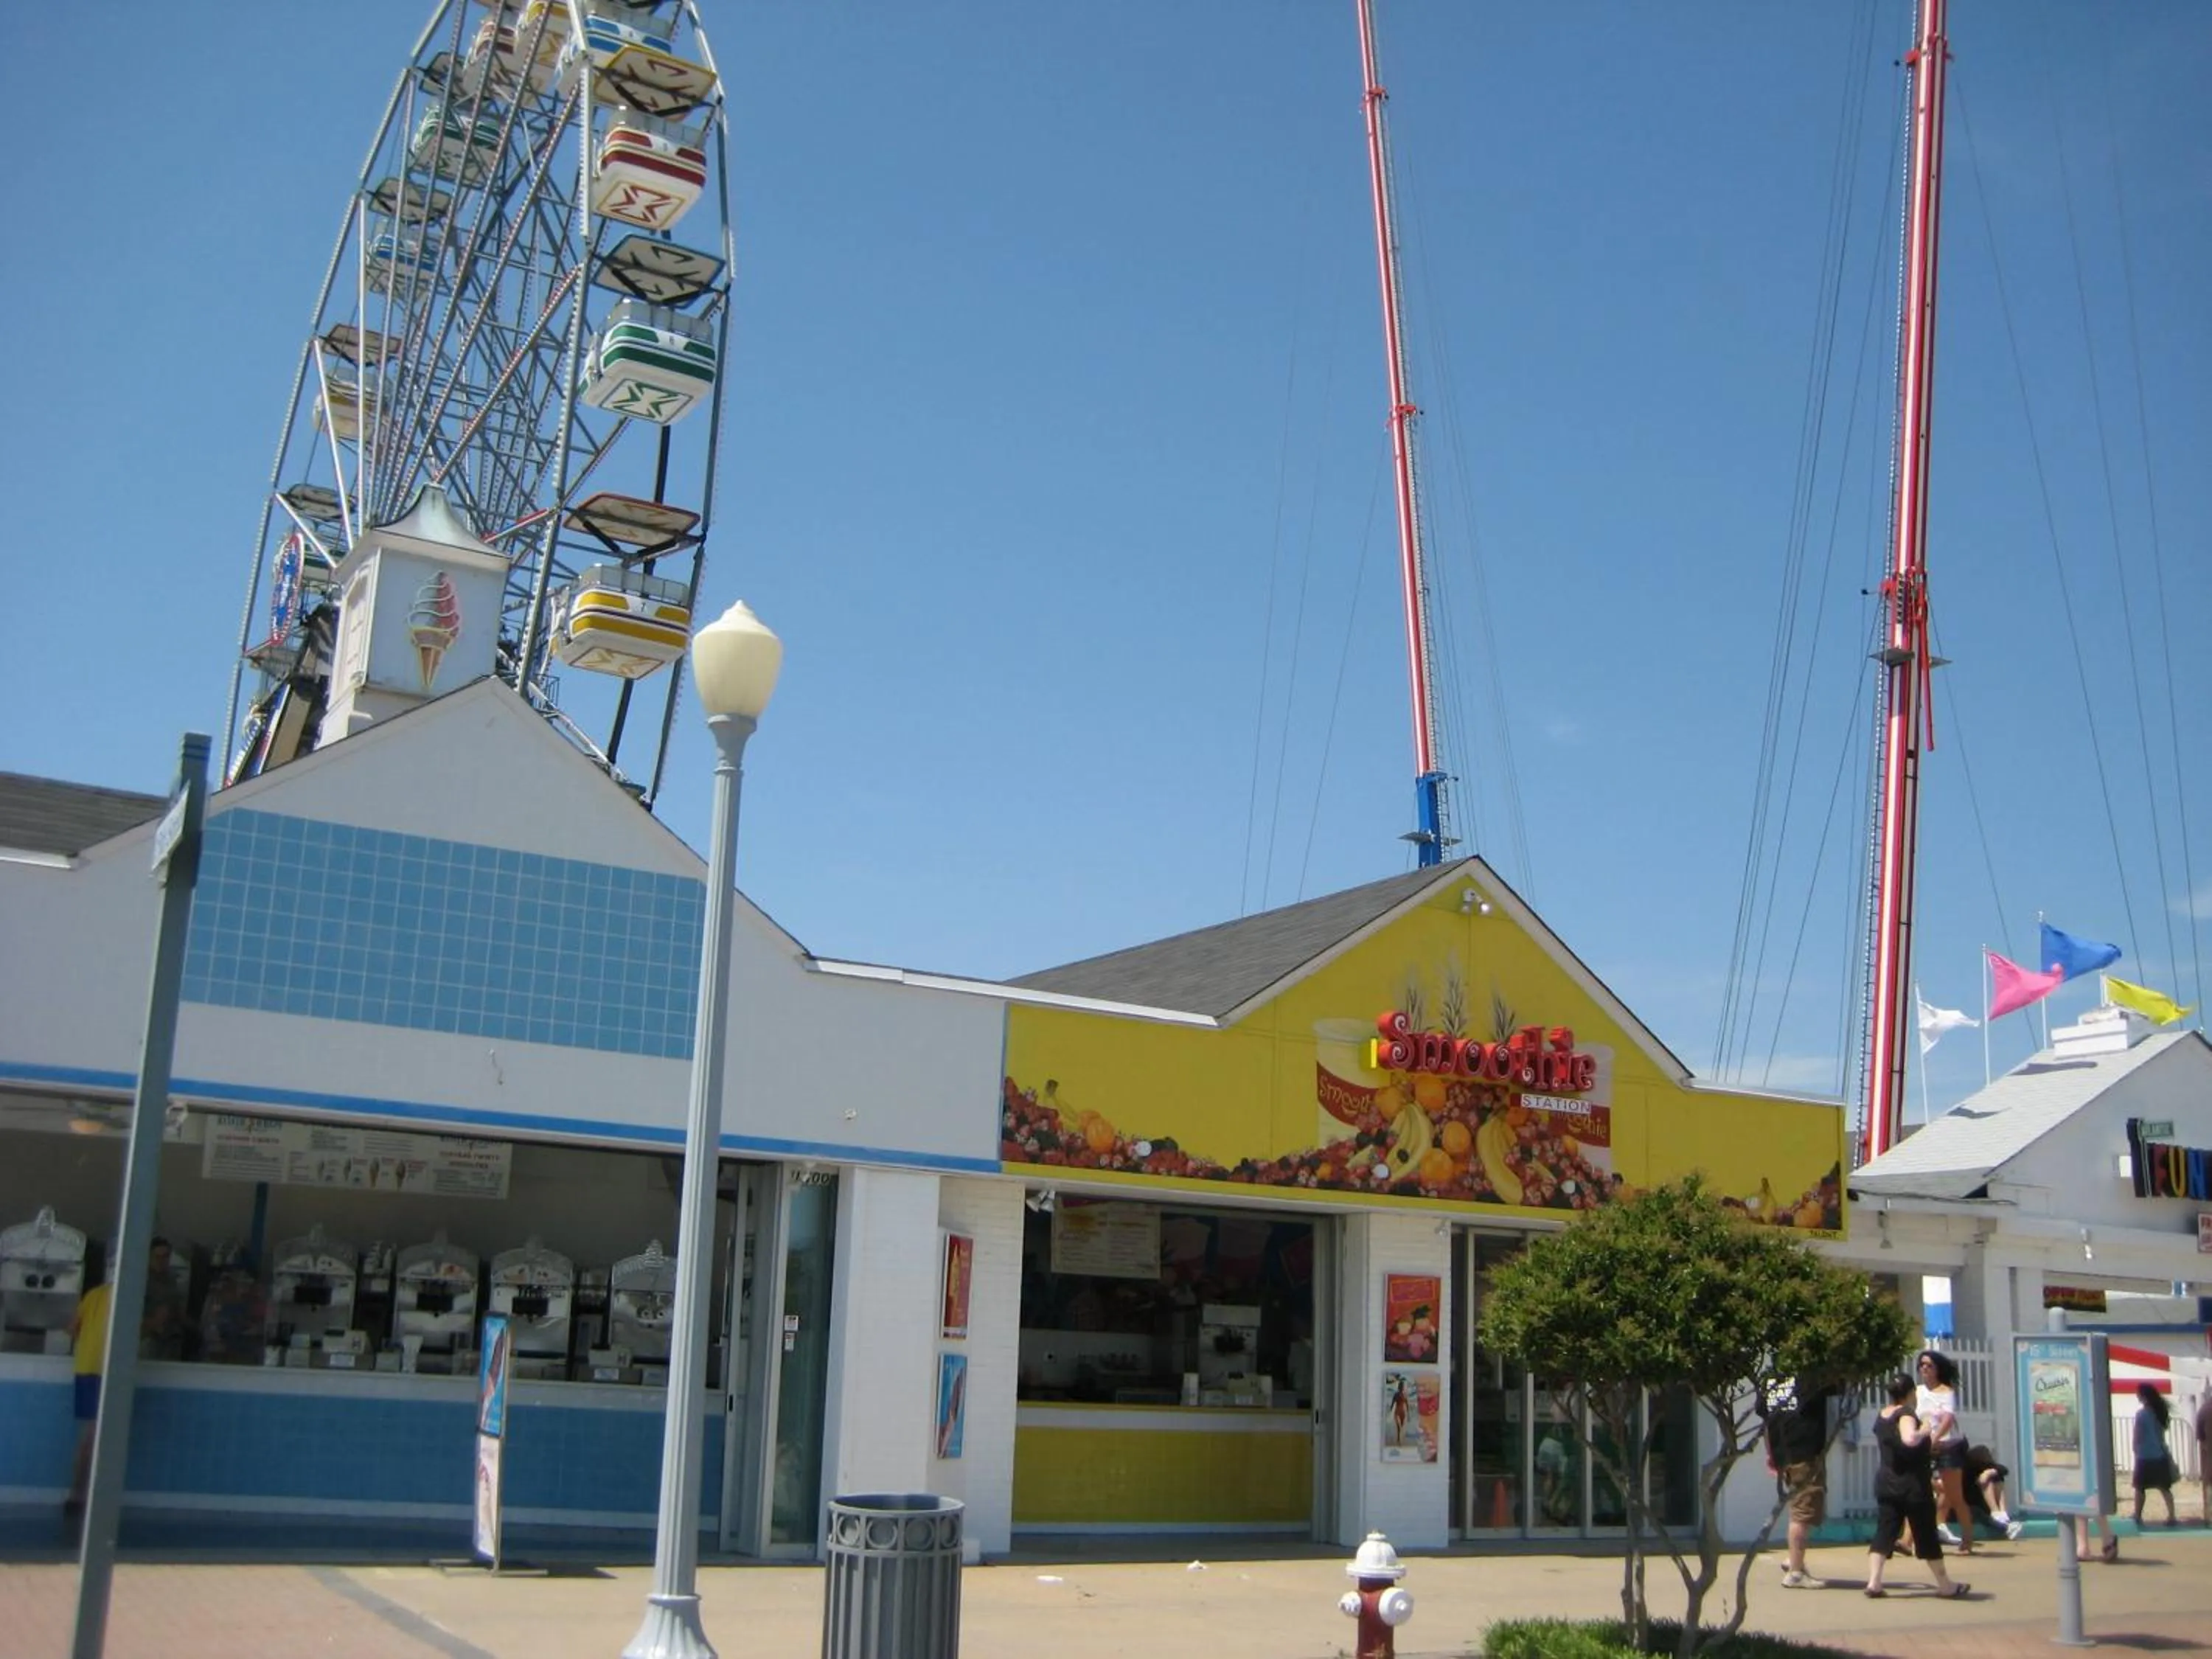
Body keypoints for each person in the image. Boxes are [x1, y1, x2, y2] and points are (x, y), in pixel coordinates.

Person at [1865, 1372, 1969, 1599]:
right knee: (1926, 1536)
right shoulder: (1905, 1414)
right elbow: (1909, 1439)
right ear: (1911, 1393)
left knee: (1884, 1532)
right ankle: (1946, 1585)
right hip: (1912, 1486)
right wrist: (1926, 1429)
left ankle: (1874, 1582)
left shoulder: (1882, 1415)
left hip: (1886, 1483)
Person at [1757, 1374, 1832, 1587]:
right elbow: (1840, 1384)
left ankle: (1794, 1559)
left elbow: (1766, 1423)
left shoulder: (1769, 1381)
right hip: (1805, 1455)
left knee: (1802, 1509)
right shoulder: (1808, 1379)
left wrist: (1771, 1455)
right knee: (1801, 1512)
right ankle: (1796, 1573)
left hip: (1785, 1454)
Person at [63, 1253, 111, 1517]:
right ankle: (82, 1493)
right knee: (96, 1435)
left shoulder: (95, 1293)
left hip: (86, 1366)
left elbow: (72, 1328)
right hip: (106, 1369)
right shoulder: (130, 1296)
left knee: (93, 1433)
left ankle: (81, 1492)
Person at [1914, 1350, 1973, 1551]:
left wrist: (1934, 1438)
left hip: (1949, 1447)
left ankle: (1967, 1539)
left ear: (1938, 1369)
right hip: (1925, 1446)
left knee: (1955, 1496)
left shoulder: (1946, 1392)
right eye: (1922, 1364)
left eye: (1929, 1365)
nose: (1925, 1368)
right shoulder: (1918, 1391)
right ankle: (1908, 1540)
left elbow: (1947, 1420)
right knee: (1916, 1491)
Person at [2131, 1382, 2179, 1528]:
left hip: (2145, 1456)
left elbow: (2138, 1435)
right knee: (2164, 1488)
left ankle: (2138, 1516)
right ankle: (2172, 1516)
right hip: (2160, 1454)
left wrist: (2135, 1449)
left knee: (2140, 1488)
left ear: (2144, 1397)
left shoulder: (2141, 1414)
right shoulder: (2160, 1413)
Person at [1960, 1443, 2023, 1541]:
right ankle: (2005, 1526)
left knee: (1997, 1476)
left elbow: (2003, 1470)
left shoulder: (1985, 1467)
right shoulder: (1965, 1469)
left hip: (1982, 1502)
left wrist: (1990, 1472)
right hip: (1969, 1503)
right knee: (1976, 1511)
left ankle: (2001, 1513)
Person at [2196, 1390, 2212, 1528]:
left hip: (2209, 1455)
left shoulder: (2205, 1408)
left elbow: (2199, 1435)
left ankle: (2210, 1517)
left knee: (2209, 1486)